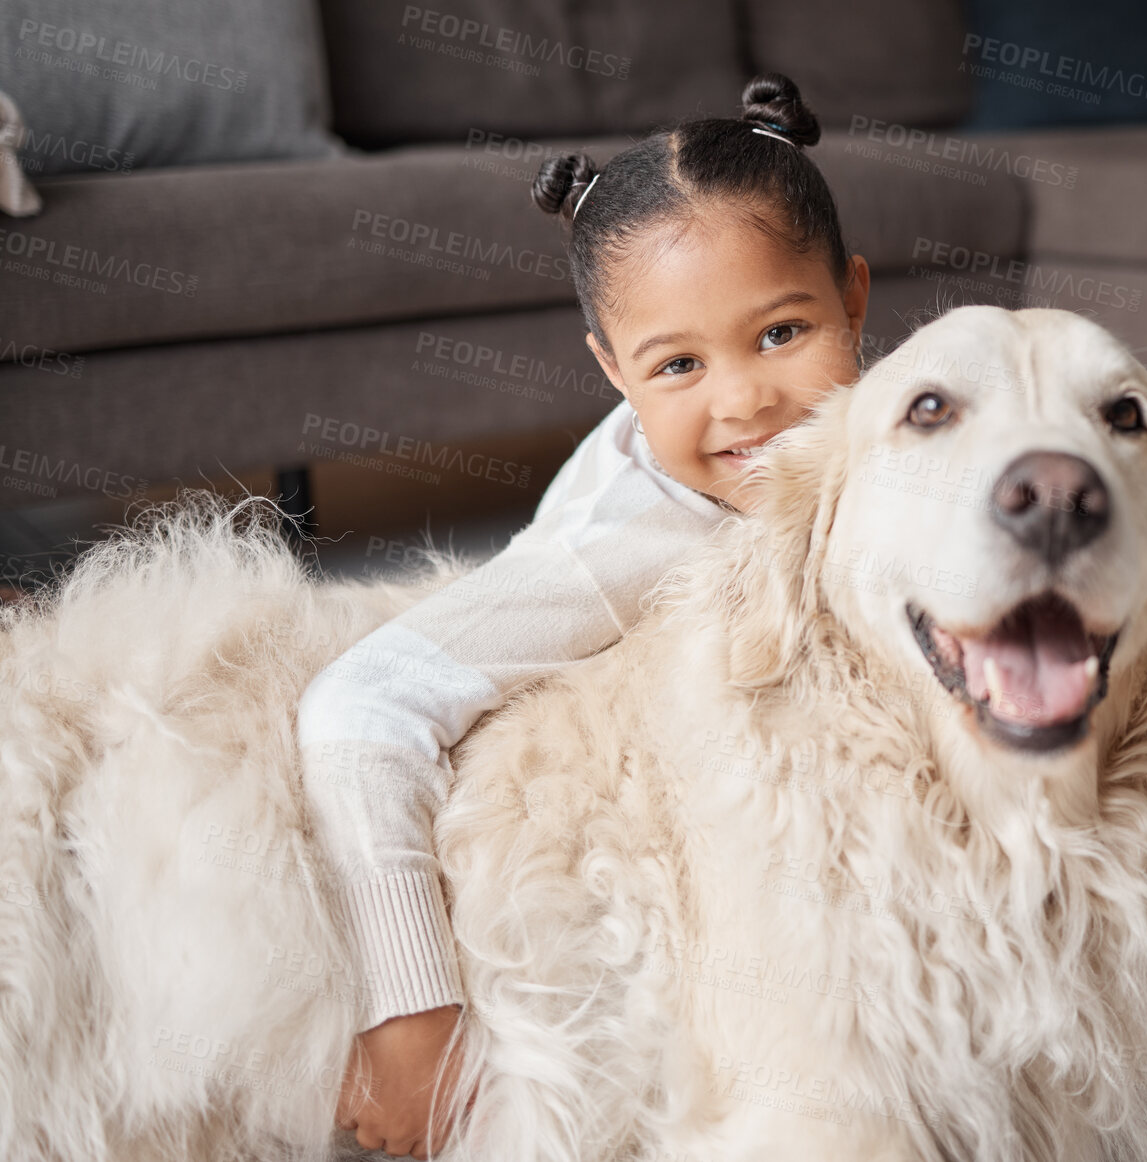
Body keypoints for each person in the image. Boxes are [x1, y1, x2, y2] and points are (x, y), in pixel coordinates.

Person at [295, 72, 872, 1159]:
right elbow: (359, 708)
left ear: (854, 300)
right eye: (680, 365)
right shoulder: (620, 552)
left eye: (784, 331)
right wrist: (412, 1017)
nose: (745, 399)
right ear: (614, 372)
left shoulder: (888, 425)